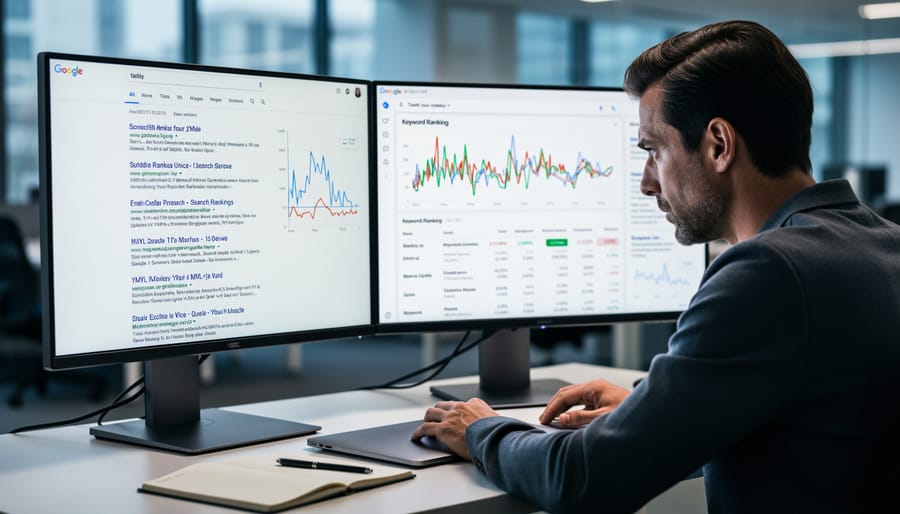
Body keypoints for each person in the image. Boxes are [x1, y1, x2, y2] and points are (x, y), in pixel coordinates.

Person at [412, 20, 900, 514]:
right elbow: (817, 421)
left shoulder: (767, 272)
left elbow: (583, 478)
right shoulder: (883, 245)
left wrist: (479, 429)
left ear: (718, 145)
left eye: (654, 150)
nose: (647, 183)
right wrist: (657, 406)